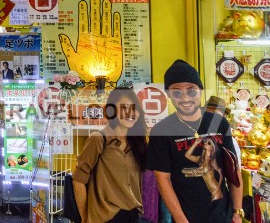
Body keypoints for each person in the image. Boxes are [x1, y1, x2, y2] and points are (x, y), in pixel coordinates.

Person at [148, 60, 242, 223]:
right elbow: (163, 180)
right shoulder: (161, 131)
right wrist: (181, 220)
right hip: (188, 217)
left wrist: (237, 211)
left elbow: (233, 169)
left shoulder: (219, 123)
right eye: (177, 92)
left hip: (224, 216)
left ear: (200, 90)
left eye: (191, 91)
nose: (185, 98)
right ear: (169, 94)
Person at [72, 88, 148, 223]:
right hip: (105, 217)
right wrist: (84, 218)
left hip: (132, 215)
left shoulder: (137, 144)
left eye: (134, 108)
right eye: (124, 107)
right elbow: (78, 180)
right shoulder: (98, 139)